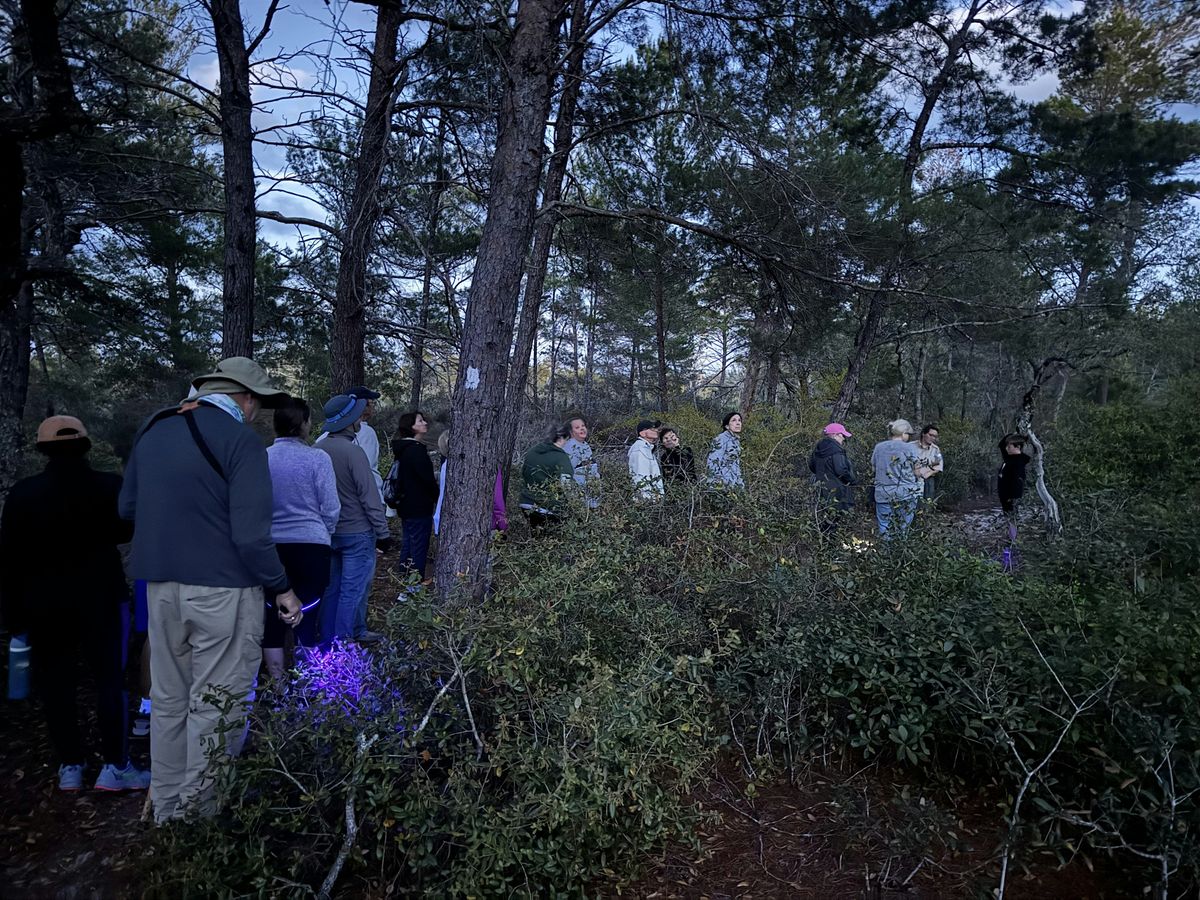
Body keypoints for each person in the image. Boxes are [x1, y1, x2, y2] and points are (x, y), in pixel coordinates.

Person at [119, 357, 302, 822]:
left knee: (169, 699)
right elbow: (251, 536)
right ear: (244, 399)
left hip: (158, 587)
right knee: (218, 703)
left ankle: (164, 807)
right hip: (223, 589)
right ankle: (197, 819)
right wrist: (282, 588)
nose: (257, 412)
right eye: (257, 404)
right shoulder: (241, 440)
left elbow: (128, 507)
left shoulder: (155, 427)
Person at [0, 416, 149, 793]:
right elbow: (125, 531)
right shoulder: (108, 487)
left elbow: (10, 558)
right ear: (85, 446)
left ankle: (70, 765)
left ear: (42, 450)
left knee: (56, 685)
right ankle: (115, 766)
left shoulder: (23, 494)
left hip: (43, 606)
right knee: (110, 683)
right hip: (101, 599)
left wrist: (14, 617)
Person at [263, 398, 340, 678]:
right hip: (312, 546)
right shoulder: (317, 458)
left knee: (272, 620)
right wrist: (324, 531)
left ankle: (278, 688)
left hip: (271, 548)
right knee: (307, 619)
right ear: (305, 424)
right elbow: (331, 506)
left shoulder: (264, 457)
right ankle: (307, 693)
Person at [316, 394, 392, 644]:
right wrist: (383, 533)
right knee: (352, 591)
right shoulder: (354, 452)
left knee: (331, 590)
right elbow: (369, 496)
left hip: (329, 533)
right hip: (357, 533)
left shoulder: (317, 450)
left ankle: (329, 642)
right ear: (349, 421)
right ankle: (343, 644)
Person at [317, 385, 390, 516]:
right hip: (365, 502)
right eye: (371, 403)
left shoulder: (322, 438)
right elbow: (366, 471)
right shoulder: (367, 432)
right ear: (361, 407)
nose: (373, 407)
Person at [386, 411, 438, 584]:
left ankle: (405, 578)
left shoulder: (403, 450)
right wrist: (436, 496)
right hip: (418, 507)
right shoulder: (416, 451)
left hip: (406, 505)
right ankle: (414, 585)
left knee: (408, 543)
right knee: (418, 546)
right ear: (411, 427)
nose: (424, 423)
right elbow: (428, 480)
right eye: (420, 421)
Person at [432, 429, 507, 536]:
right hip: (482, 525)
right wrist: (502, 522)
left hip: (444, 523)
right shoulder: (489, 464)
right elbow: (496, 497)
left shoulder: (447, 466)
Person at [869, 419, 932, 538]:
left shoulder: (879, 447)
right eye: (908, 434)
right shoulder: (910, 449)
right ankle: (899, 553)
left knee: (884, 525)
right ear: (903, 433)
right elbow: (917, 472)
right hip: (906, 493)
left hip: (883, 492)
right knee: (903, 527)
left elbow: (874, 468)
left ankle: (886, 553)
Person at [519, 424, 576, 527]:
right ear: (563, 437)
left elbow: (524, 473)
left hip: (526, 503)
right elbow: (566, 485)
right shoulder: (561, 458)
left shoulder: (532, 451)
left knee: (536, 536)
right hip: (548, 507)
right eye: (568, 439)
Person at [808, 422, 857, 533]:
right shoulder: (836, 450)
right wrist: (852, 480)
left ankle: (821, 543)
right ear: (835, 435)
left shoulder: (818, 449)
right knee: (834, 520)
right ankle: (830, 545)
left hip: (820, 488)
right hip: (836, 491)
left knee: (822, 519)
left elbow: (811, 466)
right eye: (842, 435)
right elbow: (841, 470)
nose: (843, 438)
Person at [997, 433, 1031, 543]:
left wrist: (1013, 497)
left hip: (1012, 497)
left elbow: (1018, 482)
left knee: (1013, 518)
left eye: (1010, 446)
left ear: (1018, 447)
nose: (1007, 448)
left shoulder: (1019, 462)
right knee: (1008, 518)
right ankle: (1011, 538)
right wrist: (1013, 434)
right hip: (1004, 495)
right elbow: (1002, 444)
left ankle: (1013, 540)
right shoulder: (1009, 457)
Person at [562, 416, 601, 509]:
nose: (582, 429)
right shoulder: (570, 447)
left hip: (591, 494)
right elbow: (566, 474)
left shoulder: (586, 445)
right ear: (571, 432)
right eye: (577, 427)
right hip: (579, 499)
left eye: (583, 426)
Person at [628, 418, 665, 501]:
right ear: (643, 433)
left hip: (653, 500)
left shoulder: (646, 448)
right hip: (647, 502)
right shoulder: (639, 449)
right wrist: (647, 501)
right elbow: (640, 477)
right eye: (652, 428)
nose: (656, 430)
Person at [707, 411, 745, 488]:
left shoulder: (736, 441)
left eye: (739, 420)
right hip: (722, 485)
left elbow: (735, 465)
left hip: (733, 484)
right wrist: (718, 483)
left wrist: (740, 483)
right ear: (727, 426)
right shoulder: (721, 439)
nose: (738, 423)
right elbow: (713, 462)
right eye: (734, 420)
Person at [910, 424, 944, 504]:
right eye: (931, 435)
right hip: (912, 479)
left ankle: (926, 515)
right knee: (912, 504)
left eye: (935, 436)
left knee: (927, 504)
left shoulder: (935, 449)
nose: (933, 438)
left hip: (928, 480)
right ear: (923, 434)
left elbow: (939, 466)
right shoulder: (910, 446)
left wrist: (928, 474)